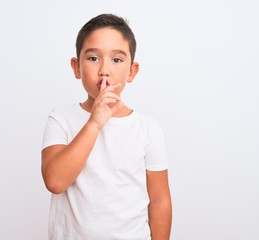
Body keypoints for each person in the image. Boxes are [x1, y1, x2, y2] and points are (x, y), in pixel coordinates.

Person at [41, 13, 172, 240]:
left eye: (117, 60)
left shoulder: (147, 128)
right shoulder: (60, 118)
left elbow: (160, 200)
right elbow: (55, 181)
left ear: (132, 71)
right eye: (93, 58)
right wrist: (94, 122)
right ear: (76, 67)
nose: (104, 70)